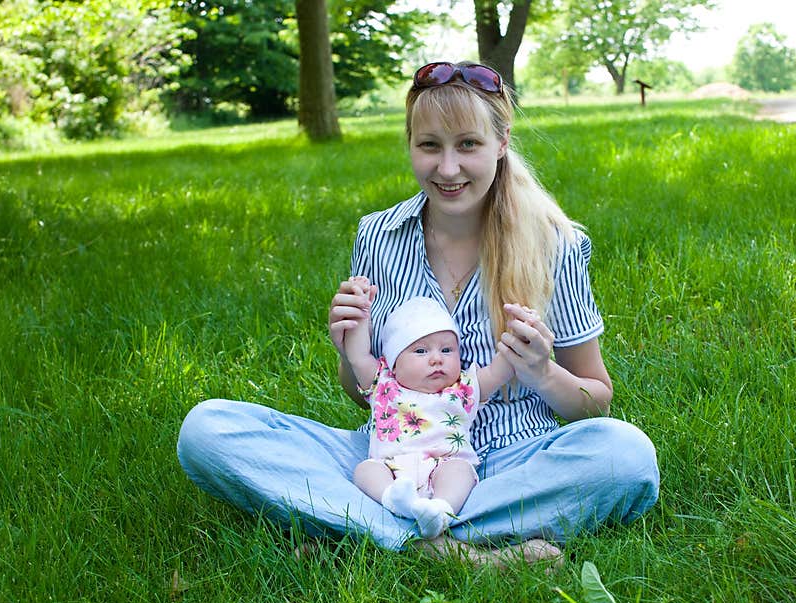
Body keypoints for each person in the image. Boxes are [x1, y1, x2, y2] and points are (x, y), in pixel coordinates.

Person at [177, 60, 659, 569]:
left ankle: (363, 531)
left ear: (501, 142)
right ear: (410, 144)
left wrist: (542, 372)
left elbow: (595, 402)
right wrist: (349, 348)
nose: (447, 169)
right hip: (391, 461)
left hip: (515, 462)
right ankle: (448, 549)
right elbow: (365, 391)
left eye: (468, 145)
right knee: (207, 430)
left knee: (624, 455)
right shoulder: (379, 235)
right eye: (429, 146)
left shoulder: (558, 244)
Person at [343, 287, 514, 540]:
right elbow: (357, 356)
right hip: (391, 469)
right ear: (394, 361)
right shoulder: (383, 383)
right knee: (365, 471)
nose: (436, 359)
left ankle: (441, 511)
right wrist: (360, 314)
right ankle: (393, 500)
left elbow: (500, 371)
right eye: (421, 351)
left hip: (443, 467)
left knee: (461, 471)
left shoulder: (464, 388)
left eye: (446, 350)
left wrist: (518, 334)